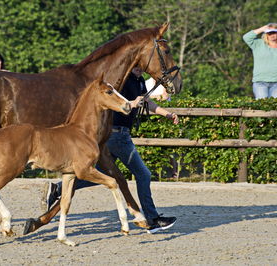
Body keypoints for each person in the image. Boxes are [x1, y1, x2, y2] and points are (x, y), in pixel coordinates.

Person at [43, 66, 179, 233]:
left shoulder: (140, 81)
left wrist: (167, 114)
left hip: (121, 135)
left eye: (141, 67)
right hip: (117, 134)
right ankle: (152, 219)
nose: (139, 69)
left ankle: (57, 188)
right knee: (143, 174)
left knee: (99, 173)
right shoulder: (123, 80)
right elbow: (113, 99)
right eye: (137, 65)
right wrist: (132, 103)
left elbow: (147, 102)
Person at [243, 23, 277, 99]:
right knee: (262, 107)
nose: (272, 35)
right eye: (269, 32)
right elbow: (246, 37)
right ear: (266, 34)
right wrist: (262, 29)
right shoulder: (258, 44)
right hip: (260, 83)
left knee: (275, 108)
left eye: (274, 32)